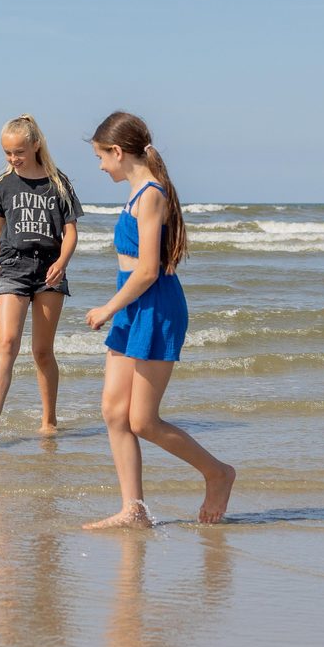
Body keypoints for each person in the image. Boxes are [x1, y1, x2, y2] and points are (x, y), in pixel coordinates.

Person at [82, 112, 234, 527]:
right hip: (134, 305)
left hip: (154, 305)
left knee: (142, 421)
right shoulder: (137, 193)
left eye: (100, 156)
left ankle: (218, 473)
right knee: (114, 412)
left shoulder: (151, 194)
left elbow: (148, 270)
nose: (99, 166)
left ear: (117, 151)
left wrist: (109, 307)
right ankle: (134, 510)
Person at [0, 114, 82, 446]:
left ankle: (49, 419)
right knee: (6, 344)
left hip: (50, 268)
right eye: (8, 153)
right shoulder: (1, 184)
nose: (13, 159)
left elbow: (70, 231)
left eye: (19, 152)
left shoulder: (58, 183)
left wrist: (63, 262)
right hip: (13, 268)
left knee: (42, 351)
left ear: (36, 145)